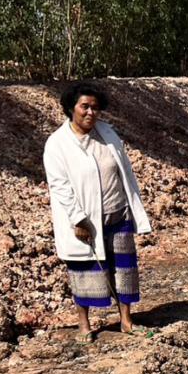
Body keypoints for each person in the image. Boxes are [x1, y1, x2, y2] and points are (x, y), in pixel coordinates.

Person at [44, 82, 153, 342]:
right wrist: (78, 218)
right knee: (84, 270)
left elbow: (122, 170)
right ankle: (84, 324)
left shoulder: (108, 134)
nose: (90, 112)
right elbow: (60, 185)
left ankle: (126, 321)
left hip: (118, 214)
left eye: (95, 107)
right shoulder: (58, 144)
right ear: (71, 108)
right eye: (85, 106)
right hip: (86, 221)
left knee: (124, 270)